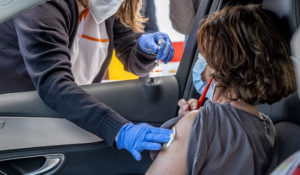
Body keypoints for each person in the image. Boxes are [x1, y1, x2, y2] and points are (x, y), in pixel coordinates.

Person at [0, 0, 175, 161]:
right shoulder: (42, 5)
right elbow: (53, 83)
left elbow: (132, 58)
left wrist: (145, 50)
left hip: (66, 112)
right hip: (20, 118)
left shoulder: (102, 8)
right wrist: (119, 131)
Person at [146, 4, 297, 174]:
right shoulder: (266, 128)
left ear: (222, 66)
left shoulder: (200, 124)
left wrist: (193, 122)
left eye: (205, 55)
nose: (201, 59)